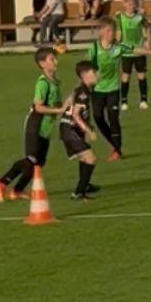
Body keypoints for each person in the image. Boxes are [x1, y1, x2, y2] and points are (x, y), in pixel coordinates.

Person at [0, 47, 65, 202]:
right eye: (52, 59)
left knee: (38, 163)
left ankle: (16, 191)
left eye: (55, 58)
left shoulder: (55, 83)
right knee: (31, 160)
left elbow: (57, 105)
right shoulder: (43, 83)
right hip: (36, 125)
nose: (55, 61)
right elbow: (38, 106)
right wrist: (58, 109)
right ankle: (1, 182)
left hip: (46, 128)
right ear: (42, 63)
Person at [59, 58, 100, 202]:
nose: (97, 74)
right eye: (94, 72)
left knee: (84, 158)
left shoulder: (83, 88)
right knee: (91, 159)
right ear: (84, 75)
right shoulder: (83, 92)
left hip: (71, 128)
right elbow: (76, 115)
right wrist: (89, 131)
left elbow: (71, 98)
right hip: (70, 129)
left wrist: (62, 109)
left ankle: (84, 186)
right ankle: (78, 193)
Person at [87, 19, 127, 161]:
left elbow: (137, 49)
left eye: (113, 30)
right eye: (109, 30)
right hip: (97, 90)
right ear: (101, 32)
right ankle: (113, 143)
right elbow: (87, 69)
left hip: (113, 88)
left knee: (113, 118)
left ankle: (117, 149)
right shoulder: (94, 48)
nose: (112, 34)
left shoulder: (118, 48)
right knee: (98, 117)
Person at [115, 0, 150, 111]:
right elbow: (118, 34)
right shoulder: (119, 17)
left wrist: (147, 41)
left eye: (133, 4)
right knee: (126, 76)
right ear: (124, 4)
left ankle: (144, 100)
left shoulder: (139, 16)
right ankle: (124, 101)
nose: (131, 6)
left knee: (142, 75)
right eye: (129, 4)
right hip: (126, 51)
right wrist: (117, 44)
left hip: (139, 50)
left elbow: (146, 27)